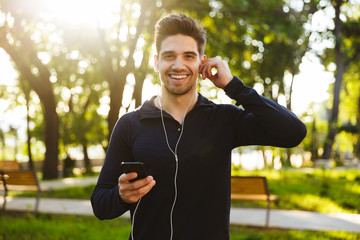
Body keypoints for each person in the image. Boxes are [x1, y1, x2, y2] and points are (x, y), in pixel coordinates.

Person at [91, 13, 307, 240]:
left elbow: (293, 132)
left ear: (202, 62)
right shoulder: (130, 125)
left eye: (188, 56)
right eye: (169, 56)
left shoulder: (224, 119)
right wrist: (121, 196)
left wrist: (234, 86)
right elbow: (100, 204)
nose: (178, 65)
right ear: (156, 62)